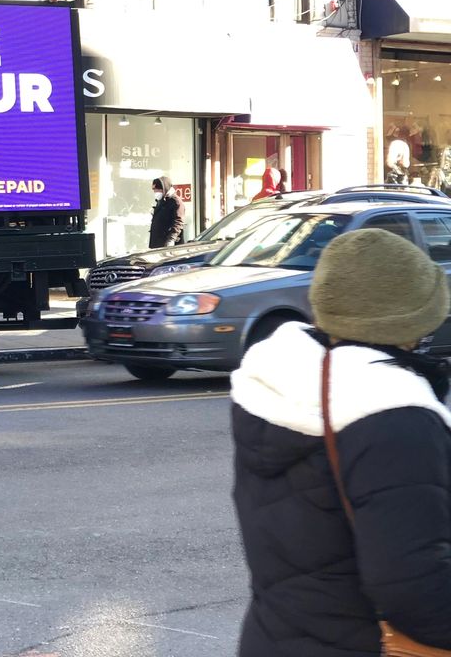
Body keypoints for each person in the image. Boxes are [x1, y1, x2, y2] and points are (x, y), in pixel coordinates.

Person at [230, 229, 451, 656]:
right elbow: (413, 587)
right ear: (409, 320)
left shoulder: (279, 387)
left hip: (271, 639)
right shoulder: (393, 415)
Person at [147, 175, 184, 248]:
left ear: (164, 188)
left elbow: (178, 222)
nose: (155, 192)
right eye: (154, 190)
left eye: (157, 190)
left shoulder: (175, 202)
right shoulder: (161, 201)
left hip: (167, 244)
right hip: (157, 242)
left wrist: (171, 239)